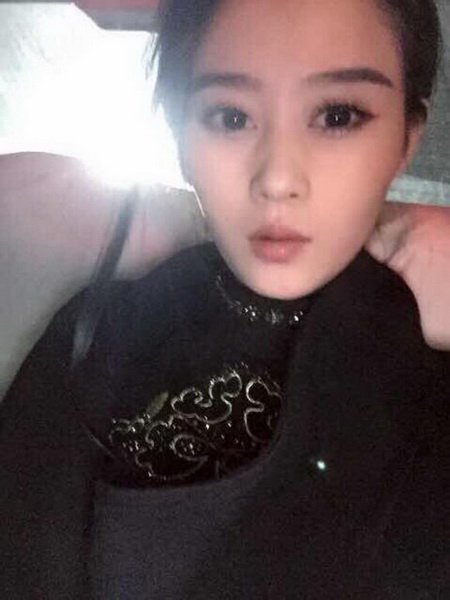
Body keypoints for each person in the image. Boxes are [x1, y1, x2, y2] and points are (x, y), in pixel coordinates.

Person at [1, 0, 449, 598]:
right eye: (231, 117)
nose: (278, 179)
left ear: (407, 138)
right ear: (178, 136)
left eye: (338, 115)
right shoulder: (102, 330)